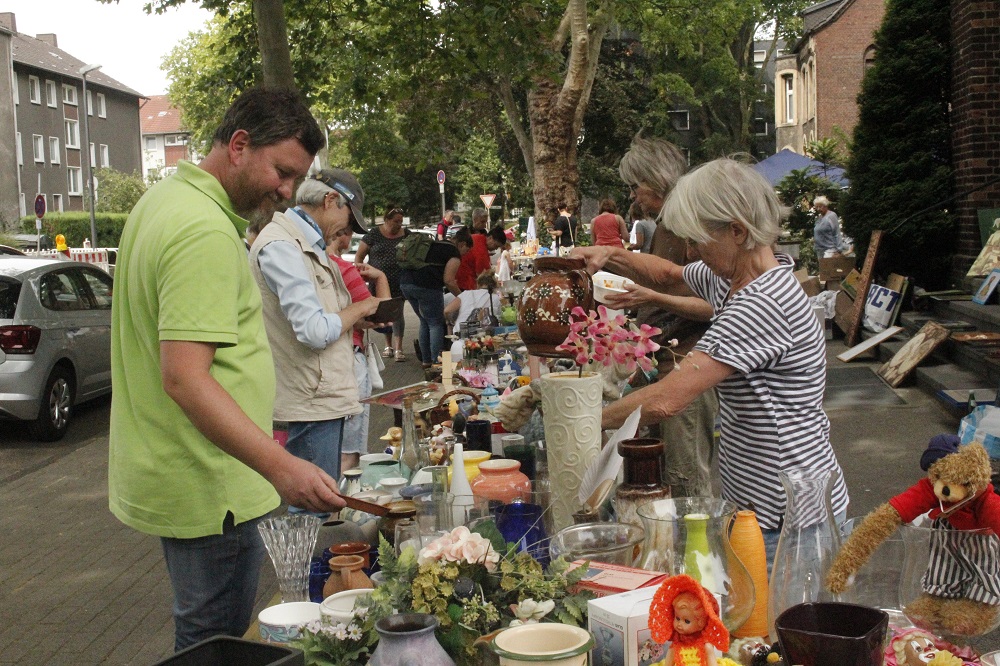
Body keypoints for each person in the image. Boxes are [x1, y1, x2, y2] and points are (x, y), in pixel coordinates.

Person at [109, 87, 346, 651]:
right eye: (282, 172)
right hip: (213, 483)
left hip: (188, 472)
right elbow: (185, 378)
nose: (287, 192)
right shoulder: (204, 230)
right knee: (212, 642)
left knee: (206, 635)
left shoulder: (165, 201)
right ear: (239, 145)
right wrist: (283, 468)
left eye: (296, 179)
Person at [575, 158, 849, 570]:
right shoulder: (737, 278)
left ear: (737, 231)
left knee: (778, 612)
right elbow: (668, 274)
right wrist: (609, 254)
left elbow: (667, 399)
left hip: (791, 518)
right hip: (769, 507)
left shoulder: (761, 305)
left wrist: (582, 422)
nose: (691, 251)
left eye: (698, 239)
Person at [597, 135, 719, 498]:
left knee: (686, 487)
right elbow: (662, 279)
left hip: (688, 370)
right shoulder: (668, 224)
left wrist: (651, 296)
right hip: (666, 366)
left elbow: (715, 303)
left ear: (657, 178)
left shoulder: (686, 225)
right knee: (661, 480)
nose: (633, 196)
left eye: (636, 186)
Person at [250, 168, 380, 486]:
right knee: (315, 500)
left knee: (322, 497)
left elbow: (322, 317)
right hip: (310, 399)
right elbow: (314, 331)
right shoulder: (282, 245)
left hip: (320, 396)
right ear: (330, 200)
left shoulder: (305, 243)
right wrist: (361, 307)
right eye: (348, 219)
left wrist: (353, 317)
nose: (346, 230)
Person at [329, 223, 391, 474]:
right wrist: (380, 277)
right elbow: (383, 315)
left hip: (323, 362)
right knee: (349, 452)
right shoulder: (344, 270)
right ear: (341, 234)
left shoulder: (308, 268)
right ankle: (340, 496)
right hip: (350, 358)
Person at [399, 230, 462, 371]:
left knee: (424, 321)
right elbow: (449, 280)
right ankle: (436, 362)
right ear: (462, 244)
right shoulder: (453, 252)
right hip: (427, 286)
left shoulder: (432, 244)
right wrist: (463, 296)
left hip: (405, 283)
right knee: (435, 323)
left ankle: (426, 360)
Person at [356, 205, 408, 362]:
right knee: (384, 312)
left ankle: (399, 348)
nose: (399, 224)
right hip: (377, 282)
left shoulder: (406, 234)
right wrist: (360, 274)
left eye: (401, 221)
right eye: (396, 221)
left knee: (398, 313)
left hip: (399, 280)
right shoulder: (374, 234)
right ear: (386, 219)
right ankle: (388, 345)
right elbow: (359, 257)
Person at [445, 269, 503, 358]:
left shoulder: (465, 294)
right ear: (494, 286)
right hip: (482, 341)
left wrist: (450, 322)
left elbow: (447, 310)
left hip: (460, 339)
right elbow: (499, 320)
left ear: (478, 284)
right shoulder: (495, 298)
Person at [454, 225, 491, 292]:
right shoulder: (453, 255)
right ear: (462, 245)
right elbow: (448, 280)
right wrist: (459, 295)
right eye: (467, 250)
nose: (466, 253)